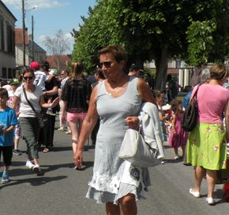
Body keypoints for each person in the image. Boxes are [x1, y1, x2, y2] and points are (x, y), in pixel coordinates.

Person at [73, 45, 155, 215]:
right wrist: (79, 148)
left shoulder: (138, 85)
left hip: (130, 151)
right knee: (110, 199)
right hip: (106, 151)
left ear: (121, 63)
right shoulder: (98, 89)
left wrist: (139, 119)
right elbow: (89, 119)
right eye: (101, 65)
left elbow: (153, 110)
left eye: (108, 64)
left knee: (127, 198)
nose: (103, 68)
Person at [185, 63, 229, 205]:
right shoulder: (226, 92)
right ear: (223, 76)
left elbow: (190, 106)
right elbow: (228, 116)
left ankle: (197, 189)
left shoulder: (198, 89)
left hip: (199, 128)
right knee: (212, 164)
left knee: (199, 161)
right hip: (216, 129)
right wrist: (228, 132)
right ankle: (211, 196)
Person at [12, 69, 59, 175]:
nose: (27, 80)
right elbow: (13, 106)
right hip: (24, 117)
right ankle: (37, 164)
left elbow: (42, 104)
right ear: (22, 78)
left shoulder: (39, 90)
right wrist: (9, 116)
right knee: (32, 140)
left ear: (34, 78)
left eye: (30, 77)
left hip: (36, 117)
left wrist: (50, 105)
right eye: (25, 78)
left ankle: (29, 160)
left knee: (34, 142)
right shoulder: (19, 90)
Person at [61, 62, 91, 167]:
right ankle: (80, 156)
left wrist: (63, 113)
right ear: (82, 70)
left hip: (71, 111)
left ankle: (76, 159)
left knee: (74, 136)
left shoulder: (68, 82)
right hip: (83, 111)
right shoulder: (86, 83)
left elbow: (65, 100)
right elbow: (89, 100)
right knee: (82, 136)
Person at [39, 62, 60, 153]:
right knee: (40, 124)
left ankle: (47, 144)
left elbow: (55, 90)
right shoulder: (39, 77)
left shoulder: (53, 78)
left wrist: (45, 93)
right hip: (40, 103)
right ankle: (39, 142)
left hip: (50, 103)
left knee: (49, 125)